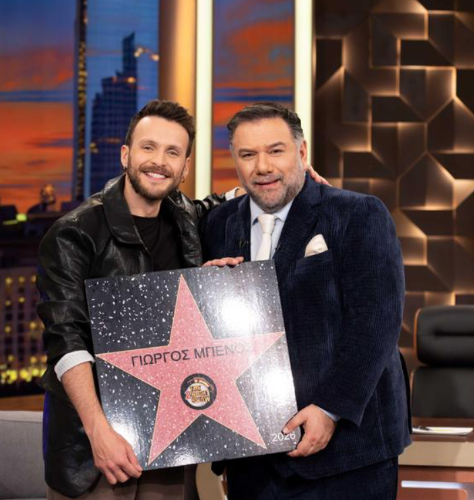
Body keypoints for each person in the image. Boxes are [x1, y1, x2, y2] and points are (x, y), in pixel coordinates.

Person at [200, 102, 411, 500]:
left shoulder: (359, 213)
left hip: (348, 455)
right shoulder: (218, 223)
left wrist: (330, 409)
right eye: (248, 154)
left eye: (275, 150)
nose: (262, 166)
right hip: (254, 460)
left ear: (301, 151)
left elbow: (377, 323)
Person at [37, 99, 225, 500]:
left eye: (172, 152)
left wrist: (305, 181)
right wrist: (98, 432)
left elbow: (235, 200)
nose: (159, 162)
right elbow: (66, 342)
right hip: (96, 451)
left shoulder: (186, 218)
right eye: (148, 147)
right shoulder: (74, 233)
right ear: (126, 155)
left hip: (170, 439)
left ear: (185, 167)